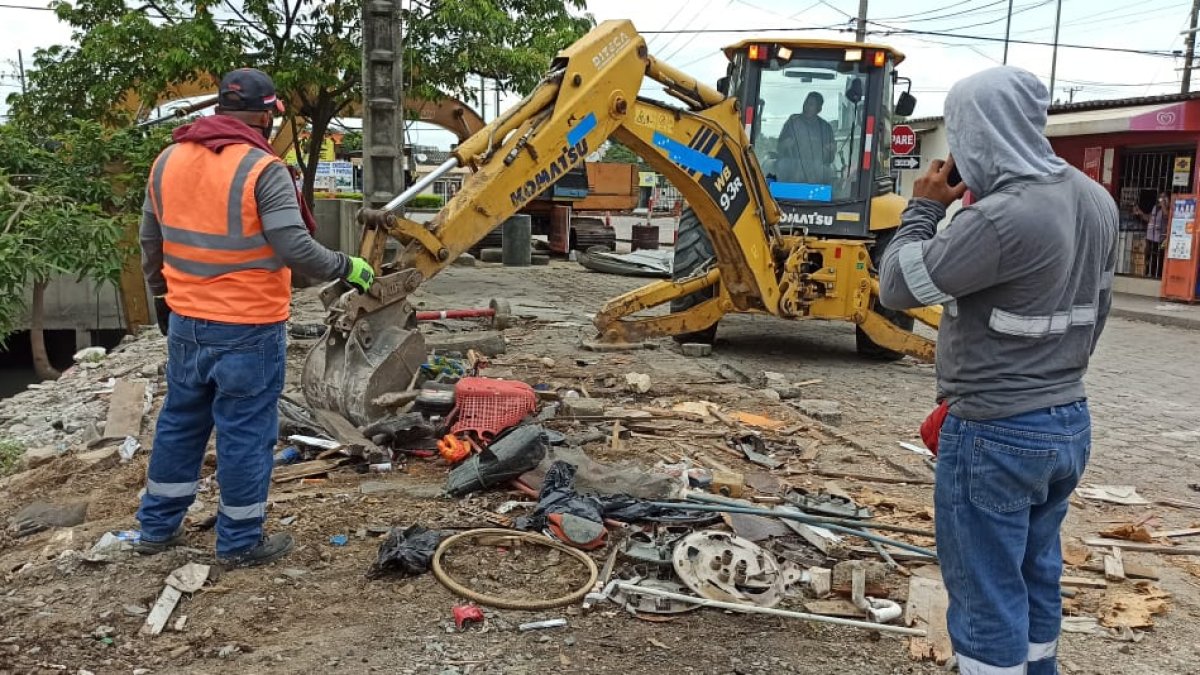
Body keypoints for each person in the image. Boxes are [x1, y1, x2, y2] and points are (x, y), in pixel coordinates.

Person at [877, 66, 1117, 675]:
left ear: (977, 131)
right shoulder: (1095, 199)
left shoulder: (1001, 218)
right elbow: (1100, 311)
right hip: (1067, 421)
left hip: (995, 432)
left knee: (986, 597)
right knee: (1036, 576)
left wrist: (923, 211)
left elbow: (897, 286)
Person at [135, 68, 376, 568]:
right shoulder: (263, 170)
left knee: (180, 421)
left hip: (186, 322)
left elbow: (150, 245)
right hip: (247, 326)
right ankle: (240, 541)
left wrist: (164, 297)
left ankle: (156, 528)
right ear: (266, 116)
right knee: (245, 431)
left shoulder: (167, 160)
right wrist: (346, 266)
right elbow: (293, 247)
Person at [775, 92, 835, 184]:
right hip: (792, 163)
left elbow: (830, 159)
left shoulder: (825, 127)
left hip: (815, 166)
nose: (806, 106)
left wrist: (828, 151)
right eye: (806, 103)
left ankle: (820, 194)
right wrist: (785, 144)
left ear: (819, 109)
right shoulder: (792, 122)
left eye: (811, 104)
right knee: (782, 165)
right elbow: (779, 147)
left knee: (828, 172)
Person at [1146, 191, 1169, 278]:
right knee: (1150, 255)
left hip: (1162, 239)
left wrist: (1163, 204)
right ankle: (1149, 273)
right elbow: (1149, 218)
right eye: (1161, 197)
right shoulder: (1155, 208)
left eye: (1164, 197)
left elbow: (1167, 216)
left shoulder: (1169, 208)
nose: (1162, 199)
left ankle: (1158, 275)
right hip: (1151, 237)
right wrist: (1140, 213)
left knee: (1160, 257)